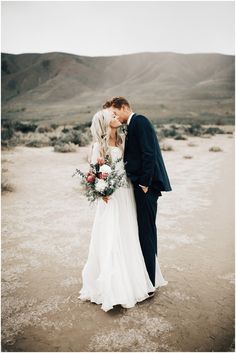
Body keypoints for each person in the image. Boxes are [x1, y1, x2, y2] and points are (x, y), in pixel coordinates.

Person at [78, 108, 168, 312]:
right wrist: (102, 190)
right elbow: (95, 173)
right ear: (105, 123)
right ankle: (114, 285)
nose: (116, 117)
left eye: (116, 114)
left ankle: (133, 276)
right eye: (112, 116)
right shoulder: (98, 147)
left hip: (127, 194)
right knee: (112, 235)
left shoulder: (121, 141)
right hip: (113, 198)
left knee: (130, 234)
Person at [103, 97, 172, 292]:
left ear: (124, 107)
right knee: (143, 231)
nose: (114, 116)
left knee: (147, 232)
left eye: (115, 113)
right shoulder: (131, 125)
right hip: (140, 185)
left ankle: (150, 281)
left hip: (146, 187)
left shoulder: (140, 121)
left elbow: (149, 154)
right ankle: (147, 276)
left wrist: (144, 183)